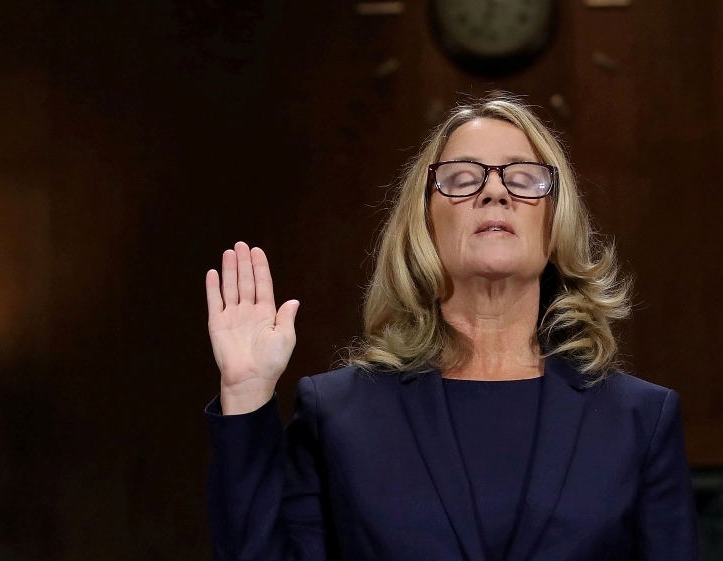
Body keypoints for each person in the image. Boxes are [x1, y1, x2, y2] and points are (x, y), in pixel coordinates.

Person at [203, 94, 698, 561]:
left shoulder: (640, 420)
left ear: (555, 222)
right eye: (462, 179)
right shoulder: (337, 415)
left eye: (524, 179)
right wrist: (245, 394)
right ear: (426, 222)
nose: (495, 190)